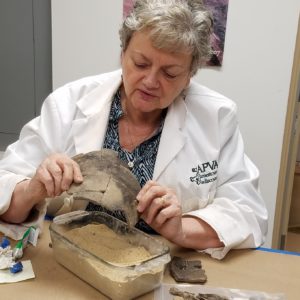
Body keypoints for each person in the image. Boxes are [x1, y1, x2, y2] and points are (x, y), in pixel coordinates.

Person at [0, 0, 268, 259]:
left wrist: (182, 229)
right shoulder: (68, 104)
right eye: (140, 64)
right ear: (122, 53)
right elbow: (5, 188)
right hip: (74, 259)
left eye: (170, 73)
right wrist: (34, 188)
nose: (150, 81)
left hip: (161, 265)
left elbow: (248, 213)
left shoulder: (216, 117)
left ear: (190, 75)